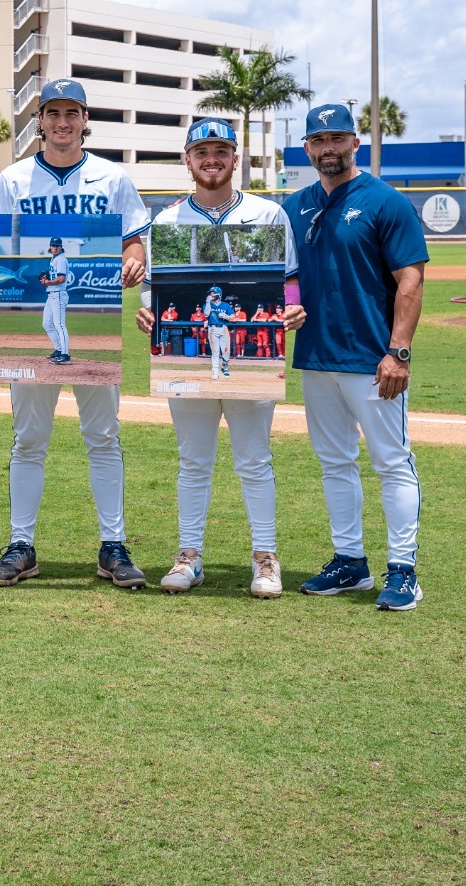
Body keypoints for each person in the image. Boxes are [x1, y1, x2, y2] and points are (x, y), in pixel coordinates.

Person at [0, 79, 150, 591]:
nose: (61, 122)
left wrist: (134, 259)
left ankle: (113, 545)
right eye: (51, 112)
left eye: (70, 113)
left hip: (95, 314)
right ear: (40, 121)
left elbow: (136, 238)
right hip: (28, 310)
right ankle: (20, 544)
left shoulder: (111, 177)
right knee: (29, 438)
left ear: (83, 119)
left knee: (103, 435)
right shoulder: (13, 179)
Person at [136, 118, 303, 599]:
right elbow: (152, 291)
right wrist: (147, 314)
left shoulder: (269, 214)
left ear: (236, 158)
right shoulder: (165, 222)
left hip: (246, 351)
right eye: (202, 150)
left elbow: (288, 278)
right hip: (187, 358)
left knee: (254, 459)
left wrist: (291, 303)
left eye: (222, 150)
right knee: (193, 460)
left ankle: (265, 556)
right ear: (187, 160)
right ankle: (189, 555)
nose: (212, 159)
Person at [284, 102, 430, 611]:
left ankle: (403, 570)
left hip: (374, 360)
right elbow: (288, 278)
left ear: (355, 143)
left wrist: (399, 352)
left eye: (338, 138)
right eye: (319, 141)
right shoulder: (295, 205)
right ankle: (350, 562)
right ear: (307, 148)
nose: (329, 148)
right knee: (334, 463)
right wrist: (291, 307)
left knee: (392, 462)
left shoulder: (386, 201)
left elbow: (410, 279)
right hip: (317, 356)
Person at [40, 235, 71, 363]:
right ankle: (58, 349)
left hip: (58, 294)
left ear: (61, 247)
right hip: (51, 295)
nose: (55, 248)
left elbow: (61, 279)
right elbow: (54, 276)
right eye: (53, 245)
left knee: (59, 324)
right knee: (47, 323)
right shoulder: (54, 259)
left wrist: (48, 282)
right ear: (50, 247)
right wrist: (45, 278)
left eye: (57, 246)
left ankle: (65, 354)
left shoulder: (61, 259)